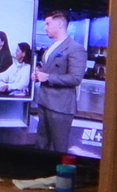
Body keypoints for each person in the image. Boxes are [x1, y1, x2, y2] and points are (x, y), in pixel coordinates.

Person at [32, 13, 88, 153]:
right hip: (44, 102)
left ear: (60, 24)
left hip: (60, 107)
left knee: (59, 147)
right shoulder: (50, 47)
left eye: (48, 24)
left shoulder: (75, 48)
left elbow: (75, 78)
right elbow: (49, 70)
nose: (45, 28)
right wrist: (39, 75)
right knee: (41, 144)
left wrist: (48, 77)